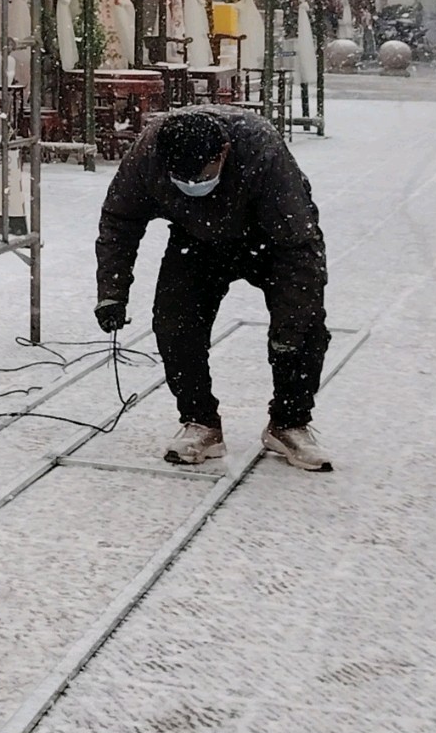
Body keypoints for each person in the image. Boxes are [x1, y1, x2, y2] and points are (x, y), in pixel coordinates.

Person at [95, 104, 332, 471]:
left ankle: (289, 422)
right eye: (183, 180)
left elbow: (299, 246)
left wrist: (289, 330)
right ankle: (200, 421)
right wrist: (112, 292)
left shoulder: (262, 152)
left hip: (271, 238)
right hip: (196, 240)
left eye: (201, 177)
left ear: (223, 152)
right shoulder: (148, 155)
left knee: (304, 328)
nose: (193, 186)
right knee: (174, 323)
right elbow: (119, 221)